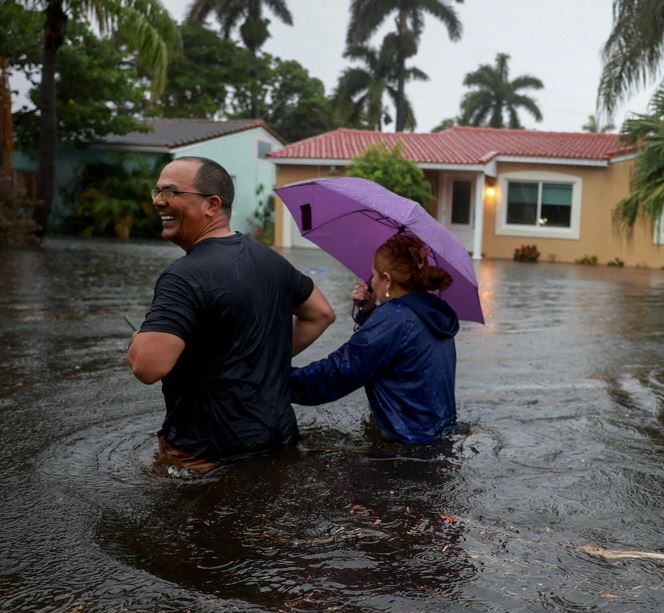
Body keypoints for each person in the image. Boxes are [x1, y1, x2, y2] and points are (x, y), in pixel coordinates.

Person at [126, 156, 336, 471]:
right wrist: (260, 356)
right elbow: (321, 314)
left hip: (204, 453)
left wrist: (137, 342)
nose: (158, 201)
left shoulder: (183, 276)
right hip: (277, 440)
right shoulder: (271, 260)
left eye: (171, 192)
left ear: (212, 204)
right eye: (156, 191)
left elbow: (147, 367)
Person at [289, 233, 459, 443]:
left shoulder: (394, 319)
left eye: (374, 276)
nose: (372, 282)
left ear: (387, 280)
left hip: (407, 444)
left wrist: (277, 380)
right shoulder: (430, 312)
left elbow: (339, 373)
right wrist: (369, 311)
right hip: (440, 437)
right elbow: (394, 354)